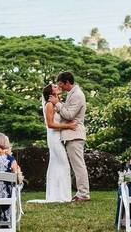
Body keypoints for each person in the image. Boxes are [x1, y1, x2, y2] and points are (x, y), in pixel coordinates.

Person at [30, 83, 74, 203]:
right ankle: (62, 196)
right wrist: (68, 126)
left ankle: (57, 194)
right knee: (63, 164)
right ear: (50, 93)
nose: (58, 87)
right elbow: (50, 125)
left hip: (58, 137)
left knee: (56, 165)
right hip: (54, 138)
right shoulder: (49, 105)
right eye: (55, 86)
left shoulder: (56, 104)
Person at [52, 71, 90, 202]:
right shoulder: (71, 94)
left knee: (78, 165)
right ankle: (81, 192)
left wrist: (57, 103)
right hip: (70, 135)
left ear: (68, 82)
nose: (60, 86)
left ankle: (84, 194)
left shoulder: (78, 95)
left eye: (61, 84)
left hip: (75, 135)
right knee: (76, 165)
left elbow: (69, 115)